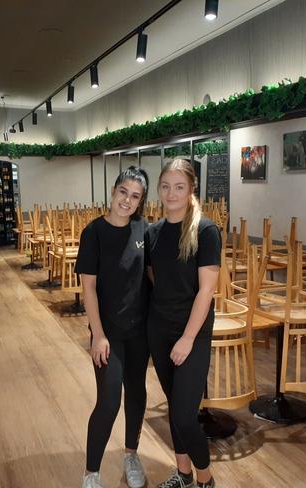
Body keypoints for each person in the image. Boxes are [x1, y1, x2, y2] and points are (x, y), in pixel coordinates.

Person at [145, 159, 221, 488]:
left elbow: (206, 290)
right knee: (175, 408)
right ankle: (183, 473)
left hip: (192, 332)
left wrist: (188, 338)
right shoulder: (152, 233)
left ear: (191, 189)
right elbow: (153, 279)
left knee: (184, 415)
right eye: (165, 186)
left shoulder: (206, 230)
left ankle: (205, 479)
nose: (171, 193)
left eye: (179, 186)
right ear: (158, 190)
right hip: (158, 330)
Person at [76, 166, 151, 488]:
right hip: (108, 334)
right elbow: (88, 287)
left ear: (140, 201)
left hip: (140, 332)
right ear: (113, 191)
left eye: (135, 196)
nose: (127, 200)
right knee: (108, 402)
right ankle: (91, 472)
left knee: (136, 394)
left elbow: (153, 277)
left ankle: (131, 455)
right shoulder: (93, 232)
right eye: (123, 192)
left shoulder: (144, 231)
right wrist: (98, 335)